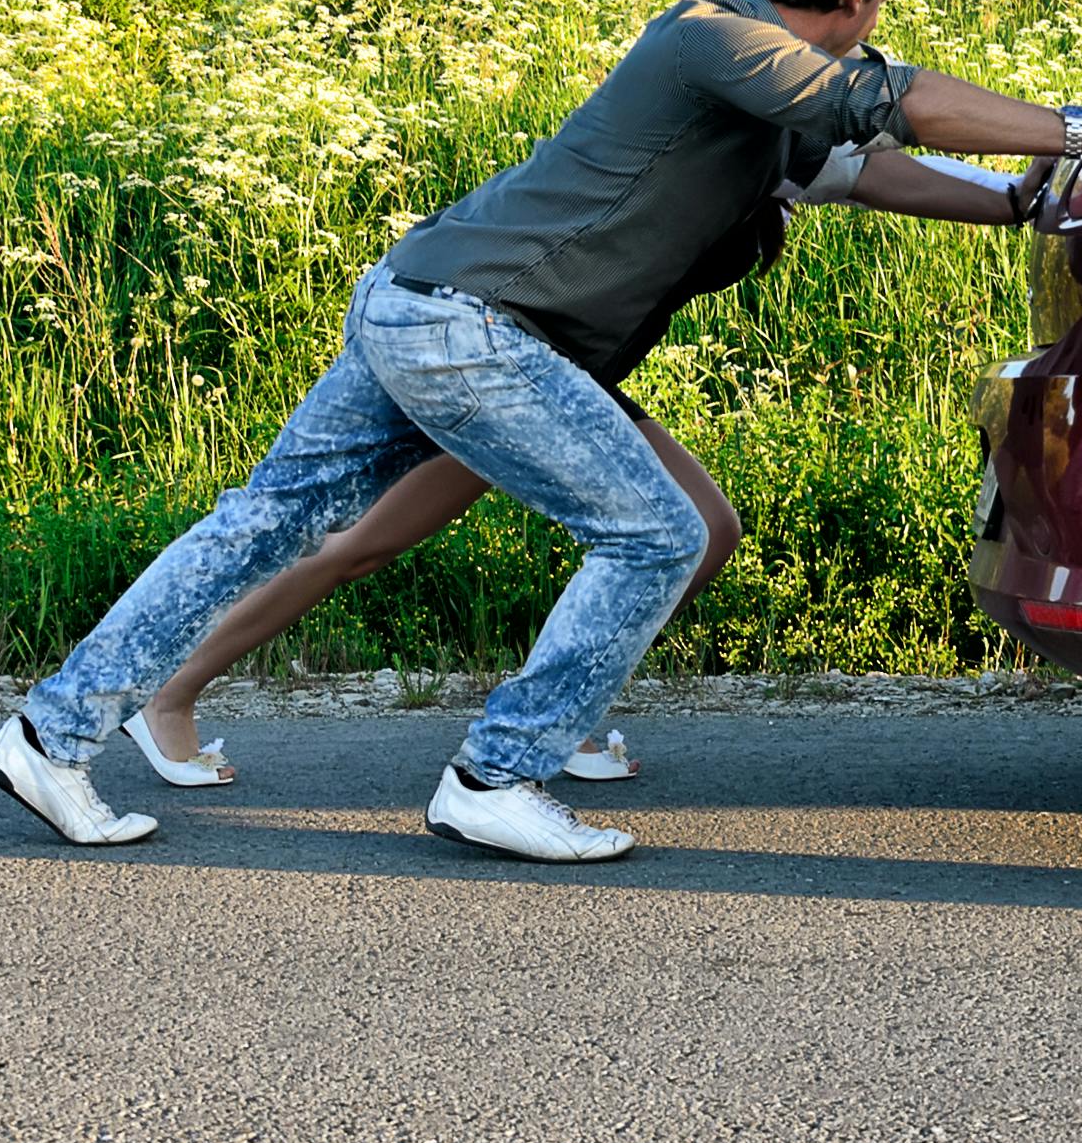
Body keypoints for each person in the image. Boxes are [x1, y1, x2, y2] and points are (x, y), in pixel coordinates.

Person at [0, 0, 1082, 862]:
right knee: (656, 533)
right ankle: (498, 776)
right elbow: (892, 109)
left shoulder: (755, 90)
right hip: (471, 326)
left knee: (265, 521)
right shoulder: (712, 36)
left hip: (430, 308)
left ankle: (50, 733)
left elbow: (864, 169)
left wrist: (1017, 204)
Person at [107, 137, 1035, 790]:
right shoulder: (713, 138)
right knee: (362, 542)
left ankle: (567, 709)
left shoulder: (792, 152)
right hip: (499, 357)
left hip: (570, 373)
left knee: (702, 530)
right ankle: (172, 696)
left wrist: (1031, 185)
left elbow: (898, 171)